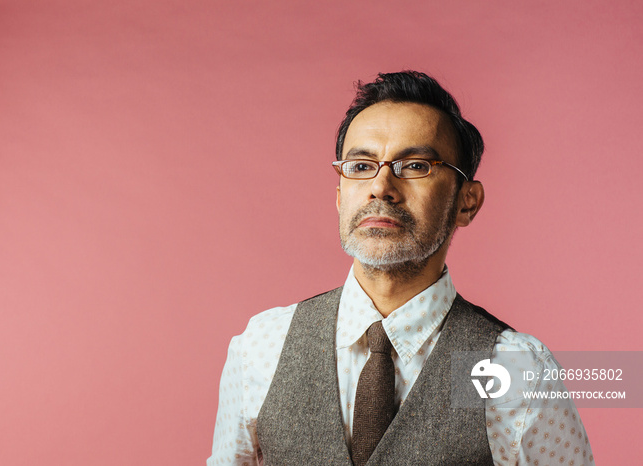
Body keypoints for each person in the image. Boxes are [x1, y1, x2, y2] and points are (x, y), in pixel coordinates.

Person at [207, 71, 594, 465]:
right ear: (340, 197)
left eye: (415, 165)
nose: (381, 186)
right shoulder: (261, 347)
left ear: (467, 202)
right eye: (360, 166)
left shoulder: (517, 368)